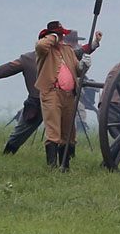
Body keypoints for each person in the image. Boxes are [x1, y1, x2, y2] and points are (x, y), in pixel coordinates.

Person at [0, 29, 100, 155]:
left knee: (67, 132)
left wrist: (94, 43)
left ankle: (67, 159)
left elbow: (79, 53)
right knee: (22, 131)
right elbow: (8, 68)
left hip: (60, 98)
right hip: (36, 101)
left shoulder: (64, 54)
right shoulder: (27, 58)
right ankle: (8, 154)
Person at [35, 21, 95, 169]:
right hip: (52, 93)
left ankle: (64, 164)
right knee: (53, 130)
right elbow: (41, 45)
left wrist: (84, 65)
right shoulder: (45, 50)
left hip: (69, 95)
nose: (62, 37)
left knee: (68, 131)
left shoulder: (67, 51)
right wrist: (53, 37)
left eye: (62, 35)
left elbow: (78, 70)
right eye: (59, 35)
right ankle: (52, 165)